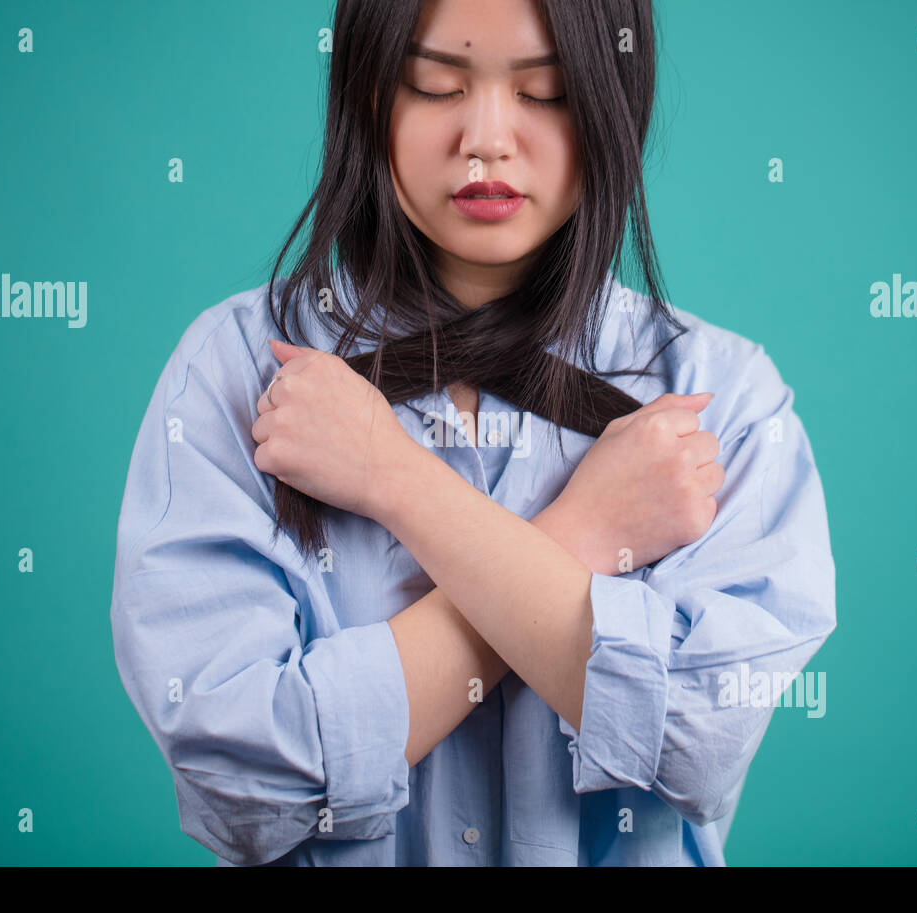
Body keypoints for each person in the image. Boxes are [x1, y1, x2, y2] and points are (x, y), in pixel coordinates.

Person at [110, 0, 836, 866]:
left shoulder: (720, 395)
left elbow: (694, 745)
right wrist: (584, 538)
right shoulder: (237, 372)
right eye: (435, 85)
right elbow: (247, 787)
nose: (486, 139)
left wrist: (394, 480)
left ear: (614, 96)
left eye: (546, 92)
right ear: (368, 95)